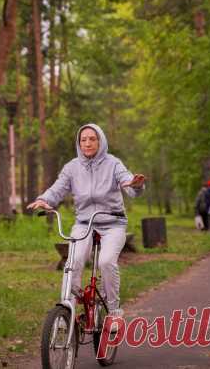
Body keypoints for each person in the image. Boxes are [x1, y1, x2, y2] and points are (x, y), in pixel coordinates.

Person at [27, 123, 146, 317]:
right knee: (73, 262)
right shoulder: (72, 168)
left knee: (106, 262)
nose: (88, 143)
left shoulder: (113, 163)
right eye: (83, 140)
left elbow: (129, 184)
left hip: (113, 223)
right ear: (79, 143)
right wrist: (44, 199)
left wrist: (136, 185)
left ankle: (113, 311)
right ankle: (67, 309)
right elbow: (58, 189)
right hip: (84, 224)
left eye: (92, 139)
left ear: (100, 141)